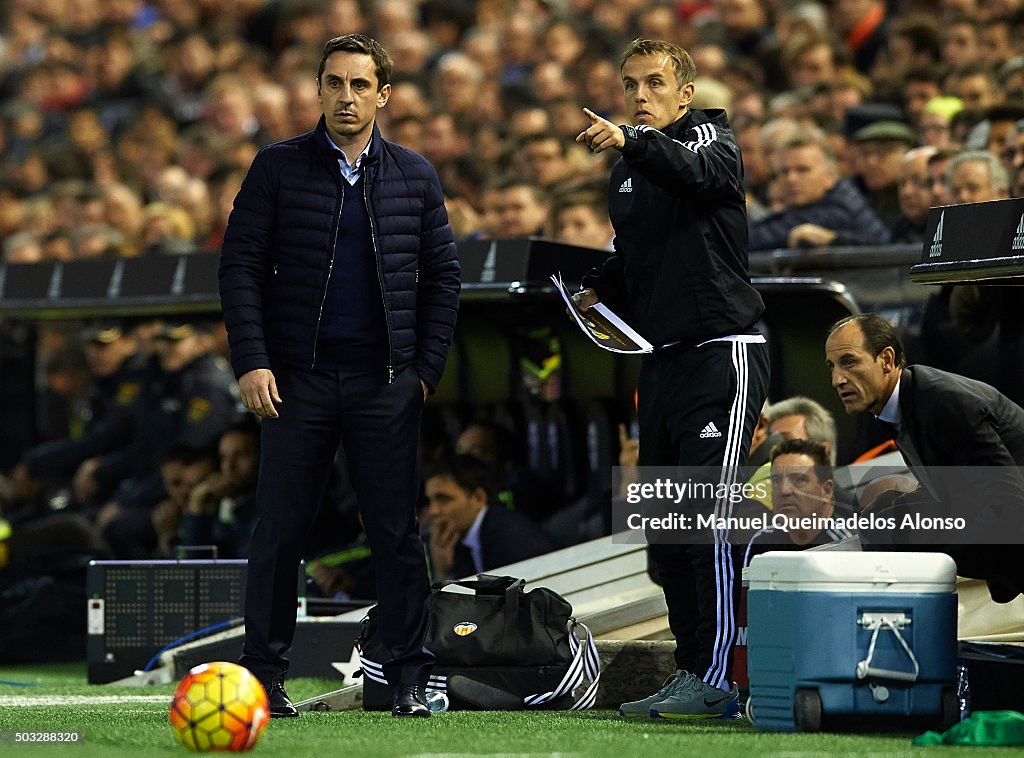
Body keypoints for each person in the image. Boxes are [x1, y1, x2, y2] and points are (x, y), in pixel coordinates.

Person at [218, 34, 460, 719]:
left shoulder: (415, 174)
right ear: (317, 90)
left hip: (386, 382)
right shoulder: (276, 168)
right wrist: (253, 359)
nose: (346, 97)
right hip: (297, 380)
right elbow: (238, 267)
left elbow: (444, 276)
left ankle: (407, 678)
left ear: (384, 93)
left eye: (360, 85)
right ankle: (263, 678)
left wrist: (423, 372)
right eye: (334, 83)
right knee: (280, 529)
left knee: (395, 533)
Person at [573, 38, 770, 719]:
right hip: (662, 360)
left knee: (711, 520)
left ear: (684, 93)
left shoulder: (709, 133)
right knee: (667, 524)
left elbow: (703, 176)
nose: (640, 94)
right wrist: (595, 288)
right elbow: (636, 261)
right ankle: (692, 668)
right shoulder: (626, 174)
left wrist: (631, 138)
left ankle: (719, 677)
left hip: (724, 349)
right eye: (631, 84)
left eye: (655, 83)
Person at [824, 313, 1024, 603]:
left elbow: (1008, 507)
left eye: (849, 361)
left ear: (887, 360)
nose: (836, 379)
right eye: (832, 367)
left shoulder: (944, 403)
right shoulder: (907, 403)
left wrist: (925, 546)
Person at [748, 131, 891, 250]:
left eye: (803, 170)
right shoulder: (810, 203)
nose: (791, 178)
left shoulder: (839, 207)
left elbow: (761, 237)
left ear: (830, 176)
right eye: (784, 171)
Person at [423, 454, 555, 580]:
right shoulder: (453, 542)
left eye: (443, 499)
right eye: (430, 501)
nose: (433, 511)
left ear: (478, 498)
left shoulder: (508, 535)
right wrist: (443, 571)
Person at [743, 438, 854, 568]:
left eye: (799, 480)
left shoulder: (845, 545)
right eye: (776, 480)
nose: (784, 490)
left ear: (827, 490)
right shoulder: (762, 541)